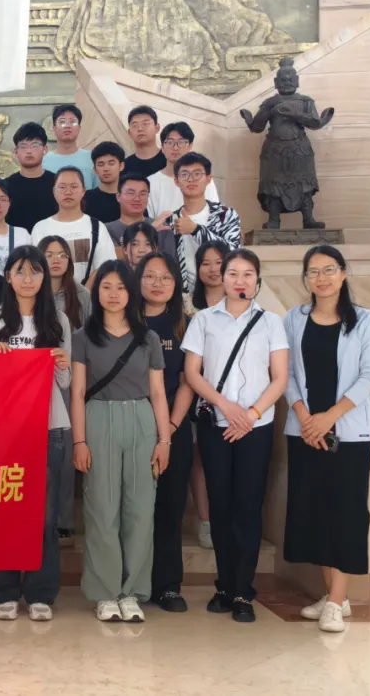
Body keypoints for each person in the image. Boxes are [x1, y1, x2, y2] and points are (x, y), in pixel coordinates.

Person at [182, 248, 289, 624]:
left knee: (248, 507)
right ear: (222, 278)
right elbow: (192, 373)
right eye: (232, 273)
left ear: (257, 281)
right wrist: (226, 407)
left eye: (247, 274)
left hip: (256, 429)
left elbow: (280, 377)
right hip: (216, 425)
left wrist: (252, 414)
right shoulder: (204, 320)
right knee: (221, 506)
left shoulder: (271, 322)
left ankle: (244, 590)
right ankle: (224, 585)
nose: (239, 280)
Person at [284, 245, 370, 633]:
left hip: (349, 434)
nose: (321, 278)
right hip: (306, 432)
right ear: (305, 278)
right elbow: (286, 373)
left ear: (343, 273)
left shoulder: (365, 320)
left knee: (344, 514)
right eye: (313, 271)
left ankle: (337, 601)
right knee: (317, 514)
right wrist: (305, 417)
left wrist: (329, 417)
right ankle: (333, 597)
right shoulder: (295, 319)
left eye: (329, 269)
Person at [71, 260, 170, 623]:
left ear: (132, 293)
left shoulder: (148, 338)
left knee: (141, 511)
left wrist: (164, 440)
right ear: (96, 292)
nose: (113, 294)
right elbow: (77, 392)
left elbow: (158, 393)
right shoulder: (83, 337)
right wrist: (80, 442)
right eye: (106, 286)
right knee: (102, 509)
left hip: (142, 421)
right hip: (99, 418)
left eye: (121, 287)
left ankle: (132, 592)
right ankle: (105, 591)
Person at [0, 246, 72, 621]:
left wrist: (61, 363)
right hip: (3, 431)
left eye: (35, 271)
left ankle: (40, 594)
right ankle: (3, 592)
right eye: (20, 271)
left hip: (49, 426)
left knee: (44, 517)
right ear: (8, 277)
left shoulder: (58, 320)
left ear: (44, 278)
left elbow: (64, 381)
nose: (28, 279)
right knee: (3, 511)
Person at [137, 253, 196, 613]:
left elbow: (189, 380)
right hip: (131, 426)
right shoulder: (126, 318)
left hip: (174, 427)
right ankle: (133, 582)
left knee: (170, 508)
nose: (157, 284)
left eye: (165, 278)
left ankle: (168, 585)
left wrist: (169, 428)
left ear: (176, 284)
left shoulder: (185, 324)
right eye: (150, 276)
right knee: (133, 510)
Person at [38, 234, 91, 540]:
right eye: (48, 254)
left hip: (69, 379)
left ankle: (64, 520)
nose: (55, 260)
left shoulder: (81, 295)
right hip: (34, 382)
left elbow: (91, 337)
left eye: (61, 255)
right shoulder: (32, 291)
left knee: (67, 453)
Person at [185, 241, 229, 549]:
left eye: (219, 262)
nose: (213, 269)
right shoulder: (186, 304)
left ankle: (226, 518)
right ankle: (205, 520)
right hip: (192, 391)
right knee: (197, 458)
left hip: (232, 396)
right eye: (205, 263)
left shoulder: (243, 303)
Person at [167, 153, 242, 295]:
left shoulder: (225, 215)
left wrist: (196, 230)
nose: (191, 179)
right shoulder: (171, 221)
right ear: (176, 181)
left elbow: (233, 252)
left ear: (208, 179)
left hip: (222, 293)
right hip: (184, 297)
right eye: (184, 174)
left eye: (197, 174)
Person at [29, 167, 116, 289]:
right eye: (62, 187)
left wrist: (84, 293)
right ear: (54, 191)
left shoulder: (97, 227)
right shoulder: (41, 228)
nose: (68, 192)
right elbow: (35, 267)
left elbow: (106, 265)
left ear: (83, 191)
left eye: (74, 187)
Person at [146, 122, 219, 218]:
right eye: (170, 142)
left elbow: (216, 216)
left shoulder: (203, 180)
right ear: (162, 147)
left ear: (190, 146)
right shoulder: (150, 182)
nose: (175, 147)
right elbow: (148, 222)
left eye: (181, 142)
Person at [106, 174, 175, 262]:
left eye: (142, 194)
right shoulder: (106, 230)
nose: (137, 199)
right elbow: (110, 258)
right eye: (131, 193)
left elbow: (169, 263)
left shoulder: (162, 227)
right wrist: (150, 230)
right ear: (118, 196)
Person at [5, 122, 57, 233]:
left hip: (51, 241)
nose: (29, 151)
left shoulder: (57, 183)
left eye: (35, 145)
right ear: (16, 152)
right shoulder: (6, 186)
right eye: (23, 146)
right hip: (16, 242)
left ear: (45, 149)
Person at [44, 104, 95, 189]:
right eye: (62, 122)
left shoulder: (92, 158)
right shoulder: (43, 161)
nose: (67, 126)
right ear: (54, 129)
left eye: (73, 122)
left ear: (79, 129)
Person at [82, 142, 125, 223]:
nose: (106, 169)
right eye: (101, 164)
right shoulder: (84, 199)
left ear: (121, 166)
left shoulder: (130, 198)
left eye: (111, 163)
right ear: (95, 170)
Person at [123, 106, 164, 178]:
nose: (140, 129)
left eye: (145, 124)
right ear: (129, 133)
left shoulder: (170, 159)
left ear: (157, 128)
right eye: (135, 125)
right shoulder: (123, 167)